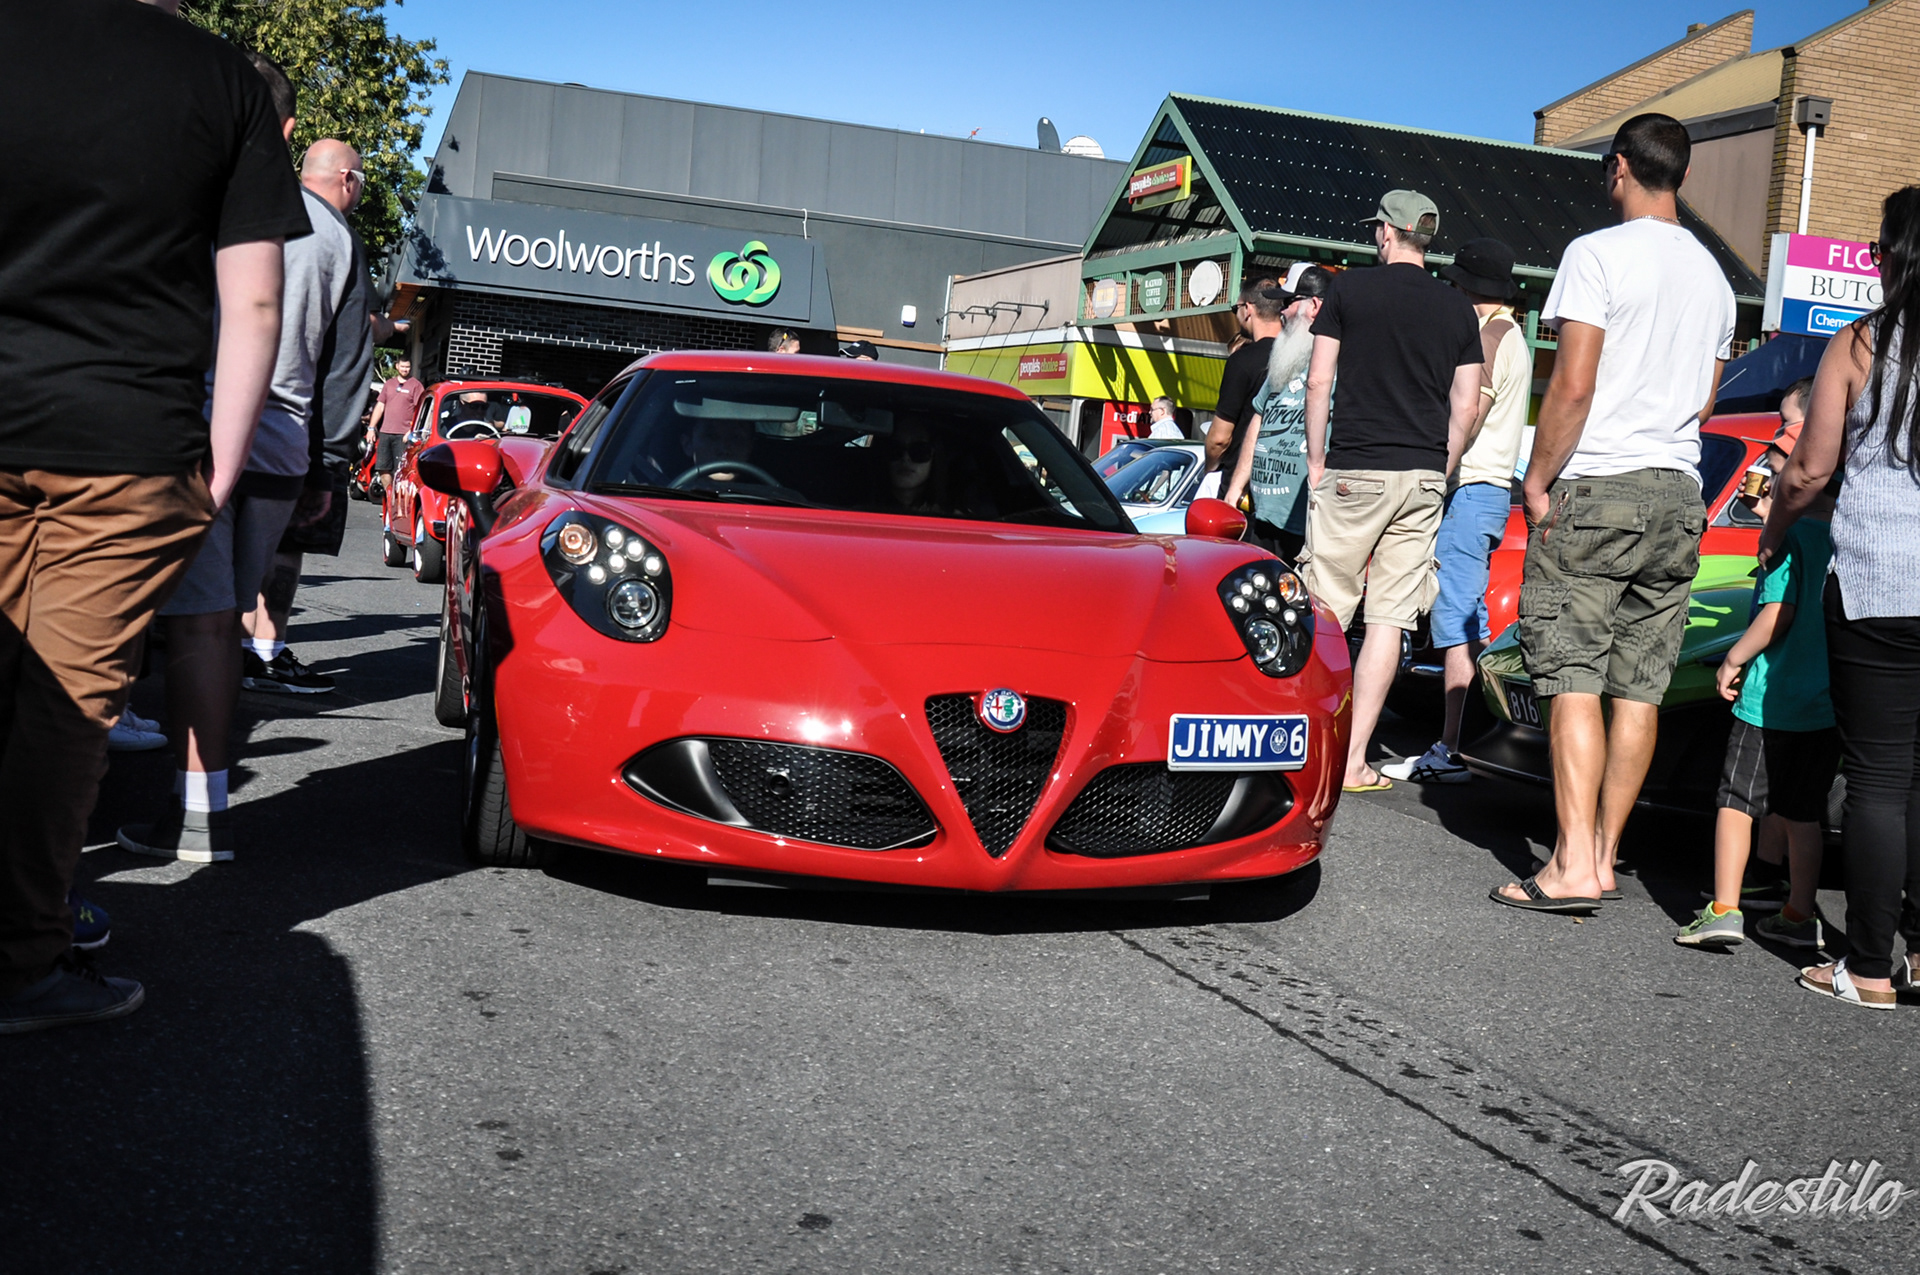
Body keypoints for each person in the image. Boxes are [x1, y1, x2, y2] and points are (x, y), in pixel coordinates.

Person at [0, 0, 310, 1033]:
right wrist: (219, 468)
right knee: (66, 707)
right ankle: (20, 960)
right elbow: (256, 301)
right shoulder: (222, 81)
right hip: (128, 441)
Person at [1491, 114, 1736, 914]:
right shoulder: (1714, 278)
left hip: (1599, 483)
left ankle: (1569, 865)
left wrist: (1537, 478)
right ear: (1684, 177)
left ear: (1618, 168)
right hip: (1679, 490)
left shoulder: (1595, 254)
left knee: (1571, 676)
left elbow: (1573, 384)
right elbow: (1705, 401)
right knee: (1639, 689)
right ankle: (1601, 853)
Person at [117, 112, 361, 865]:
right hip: (281, 450)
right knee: (221, 628)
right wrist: (327, 464)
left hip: (201, 427)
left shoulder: (216, 196)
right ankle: (202, 812)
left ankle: (169, 813)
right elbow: (343, 366)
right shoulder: (339, 239)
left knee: (165, 617)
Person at [1762, 185, 1920, 1009]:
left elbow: (1809, 469)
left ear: (1892, 257)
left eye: (1876, 249)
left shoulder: (1861, 341)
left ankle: (1867, 965)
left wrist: (1775, 528)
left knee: (1879, 780)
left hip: (1878, 580)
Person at [1302, 190, 1484, 793]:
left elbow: (1319, 380)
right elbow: (1466, 405)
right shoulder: (1457, 308)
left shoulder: (1348, 290)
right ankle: (1354, 761)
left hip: (1356, 465)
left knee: (1324, 608)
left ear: (1386, 232)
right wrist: (1441, 466)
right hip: (1423, 474)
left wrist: (1317, 460)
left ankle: (1305, 749)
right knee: (1389, 618)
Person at [242, 138, 400, 697]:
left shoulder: (256, 211)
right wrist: (331, 454)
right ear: (348, 180)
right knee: (288, 545)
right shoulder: (338, 239)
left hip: (232, 413)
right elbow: (346, 352)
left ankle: (236, 648)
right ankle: (265, 651)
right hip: (300, 428)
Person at [1674, 420, 1836, 951]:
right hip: (1824, 699)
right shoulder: (1840, 537)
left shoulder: (1787, 542)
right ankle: (1799, 913)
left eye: (1774, 470)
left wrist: (1733, 658)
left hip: (1770, 699)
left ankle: (1723, 909)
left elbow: (1777, 612)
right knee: (1803, 811)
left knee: (1735, 800)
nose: (1767, 476)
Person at [1384, 239, 1530, 784]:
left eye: (1455, 284)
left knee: (1458, 621)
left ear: (1470, 289)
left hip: (1471, 488)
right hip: (1484, 491)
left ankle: (1453, 749)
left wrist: (1432, 474)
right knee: (1466, 619)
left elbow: (1467, 414)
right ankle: (1463, 744)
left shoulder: (1491, 336)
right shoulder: (1507, 333)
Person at [1224, 264, 1334, 560]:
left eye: (1288, 302)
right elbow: (1259, 418)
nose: (1281, 312)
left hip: (1306, 525)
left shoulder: (1342, 365)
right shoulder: (1285, 359)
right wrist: (1236, 487)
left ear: (1315, 306)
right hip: (1262, 517)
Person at [1206, 283, 1283, 487]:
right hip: (1283, 481)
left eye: (1236, 309)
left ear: (1248, 309)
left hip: (1240, 487)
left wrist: (1210, 468)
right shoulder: (1304, 358)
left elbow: (1219, 439)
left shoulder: (1241, 361)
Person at [366, 356, 424, 494]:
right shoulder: (389, 384)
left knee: (400, 470)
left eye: (407, 367)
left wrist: (411, 430)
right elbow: (380, 406)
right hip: (385, 432)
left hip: (403, 435)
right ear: (397, 366)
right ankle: (389, 496)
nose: (405, 369)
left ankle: (397, 499)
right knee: (382, 467)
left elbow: (420, 410)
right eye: (402, 366)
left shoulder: (416, 385)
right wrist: (371, 428)